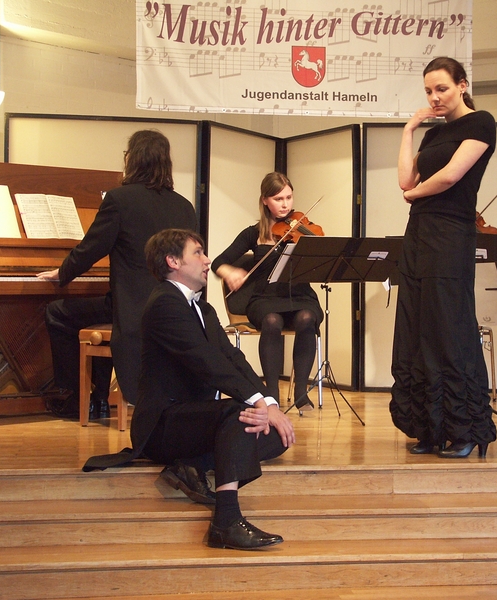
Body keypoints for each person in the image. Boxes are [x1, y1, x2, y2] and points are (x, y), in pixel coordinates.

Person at [134, 228, 294, 549]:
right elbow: (207, 362)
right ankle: (226, 521)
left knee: (277, 434)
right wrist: (255, 404)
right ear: (173, 261)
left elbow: (233, 359)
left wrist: (271, 404)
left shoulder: (204, 309)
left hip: (198, 420)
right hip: (164, 424)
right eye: (198, 253)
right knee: (239, 414)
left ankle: (193, 466)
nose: (208, 261)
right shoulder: (164, 303)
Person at [39, 130, 197, 419]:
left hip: (133, 310)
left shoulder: (119, 199)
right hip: (172, 309)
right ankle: (99, 396)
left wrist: (62, 273)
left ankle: (76, 398)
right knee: (105, 312)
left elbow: (90, 249)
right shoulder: (184, 206)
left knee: (57, 313)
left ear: (133, 159)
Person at [389, 56, 497, 459]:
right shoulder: (433, 135)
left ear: (462, 85)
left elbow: (451, 176)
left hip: (451, 233)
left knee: (449, 328)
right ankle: (429, 429)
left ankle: (464, 429)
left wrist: (414, 194)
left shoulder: (481, 122)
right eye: (429, 91)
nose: (434, 97)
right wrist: (409, 131)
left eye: (442, 89)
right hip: (418, 234)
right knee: (418, 328)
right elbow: (405, 178)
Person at [212, 172, 322, 411]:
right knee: (272, 321)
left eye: (288, 197)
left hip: (300, 296)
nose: (285, 204)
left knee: (307, 318)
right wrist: (229, 272)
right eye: (278, 199)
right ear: (265, 200)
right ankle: (271, 393)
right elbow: (218, 261)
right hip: (265, 299)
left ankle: (301, 392)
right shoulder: (253, 233)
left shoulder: (302, 228)